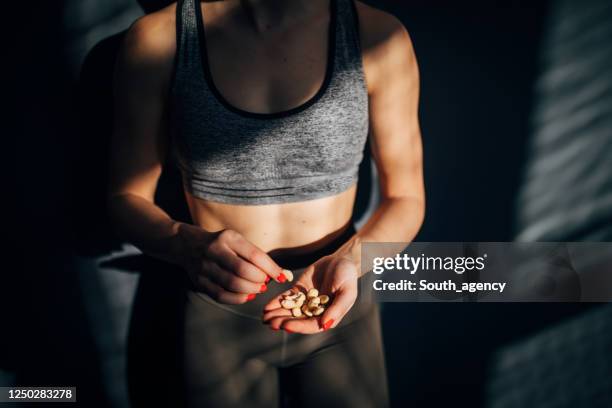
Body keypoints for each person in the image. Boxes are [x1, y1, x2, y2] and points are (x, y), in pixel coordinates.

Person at [108, 0, 424, 406]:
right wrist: (183, 243)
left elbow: (406, 198)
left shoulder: (378, 36)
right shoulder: (159, 38)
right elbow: (124, 198)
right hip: (217, 310)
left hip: (340, 301)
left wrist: (353, 258)